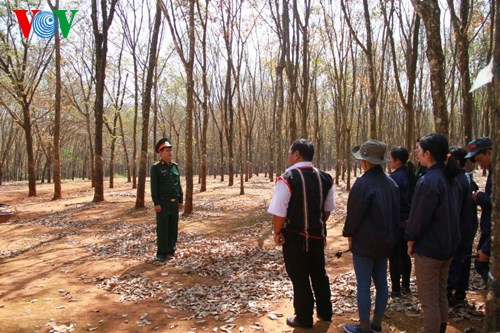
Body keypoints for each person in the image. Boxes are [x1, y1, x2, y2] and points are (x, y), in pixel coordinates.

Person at [268, 139, 335, 329]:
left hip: (295, 239)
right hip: (317, 237)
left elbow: (279, 211)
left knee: (299, 277)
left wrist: (277, 232)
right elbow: (328, 210)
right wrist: (315, 225)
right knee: (319, 274)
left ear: (296, 154)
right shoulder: (326, 178)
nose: (288, 157)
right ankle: (325, 312)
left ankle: (304, 318)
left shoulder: (287, 178)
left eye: (290, 153)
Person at [405, 133, 462, 333]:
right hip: (447, 247)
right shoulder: (450, 178)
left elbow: (418, 217)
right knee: (440, 295)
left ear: (428, 154)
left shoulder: (429, 181)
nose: (417, 153)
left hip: (430, 250)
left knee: (429, 300)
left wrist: (411, 240)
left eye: (419, 150)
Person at [342, 139, 400, 333]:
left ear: (365, 161)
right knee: (382, 283)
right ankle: (377, 324)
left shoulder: (362, 185)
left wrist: (349, 234)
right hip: (385, 242)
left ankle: (364, 326)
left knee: (364, 285)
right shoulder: (392, 184)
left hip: (365, 243)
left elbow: (354, 215)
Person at [446, 146, 478, 306]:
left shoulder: (458, 181)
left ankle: (449, 293)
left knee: (457, 260)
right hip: (467, 226)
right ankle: (459, 292)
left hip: (461, 228)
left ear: (456, 161)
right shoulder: (465, 178)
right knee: (463, 260)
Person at [388, 146, 416, 297]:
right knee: (405, 254)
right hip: (410, 223)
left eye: (391, 159)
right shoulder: (411, 174)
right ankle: (406, 285)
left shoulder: (395, 178)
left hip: (398, 223)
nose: (389, 161)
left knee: (394, 256)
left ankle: (395, 289)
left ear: (397, 161)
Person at [465, 137, 493, 285]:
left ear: (489, 153)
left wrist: (488, 248)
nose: (480, 164)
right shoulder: (493, 172)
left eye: (480, 159)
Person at [151, 138, 184, 261]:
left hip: (174, 203)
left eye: (170, 150)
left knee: (172, 227)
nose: (169, 153)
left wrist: (180, 200)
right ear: (160, 152)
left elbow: (178, 184)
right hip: (162, 203)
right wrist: (156, 203)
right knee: (162, 228)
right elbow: (154, 187)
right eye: (167, 150)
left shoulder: (175, 167)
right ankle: (161, 252)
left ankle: (171, 250)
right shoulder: (156, 168)